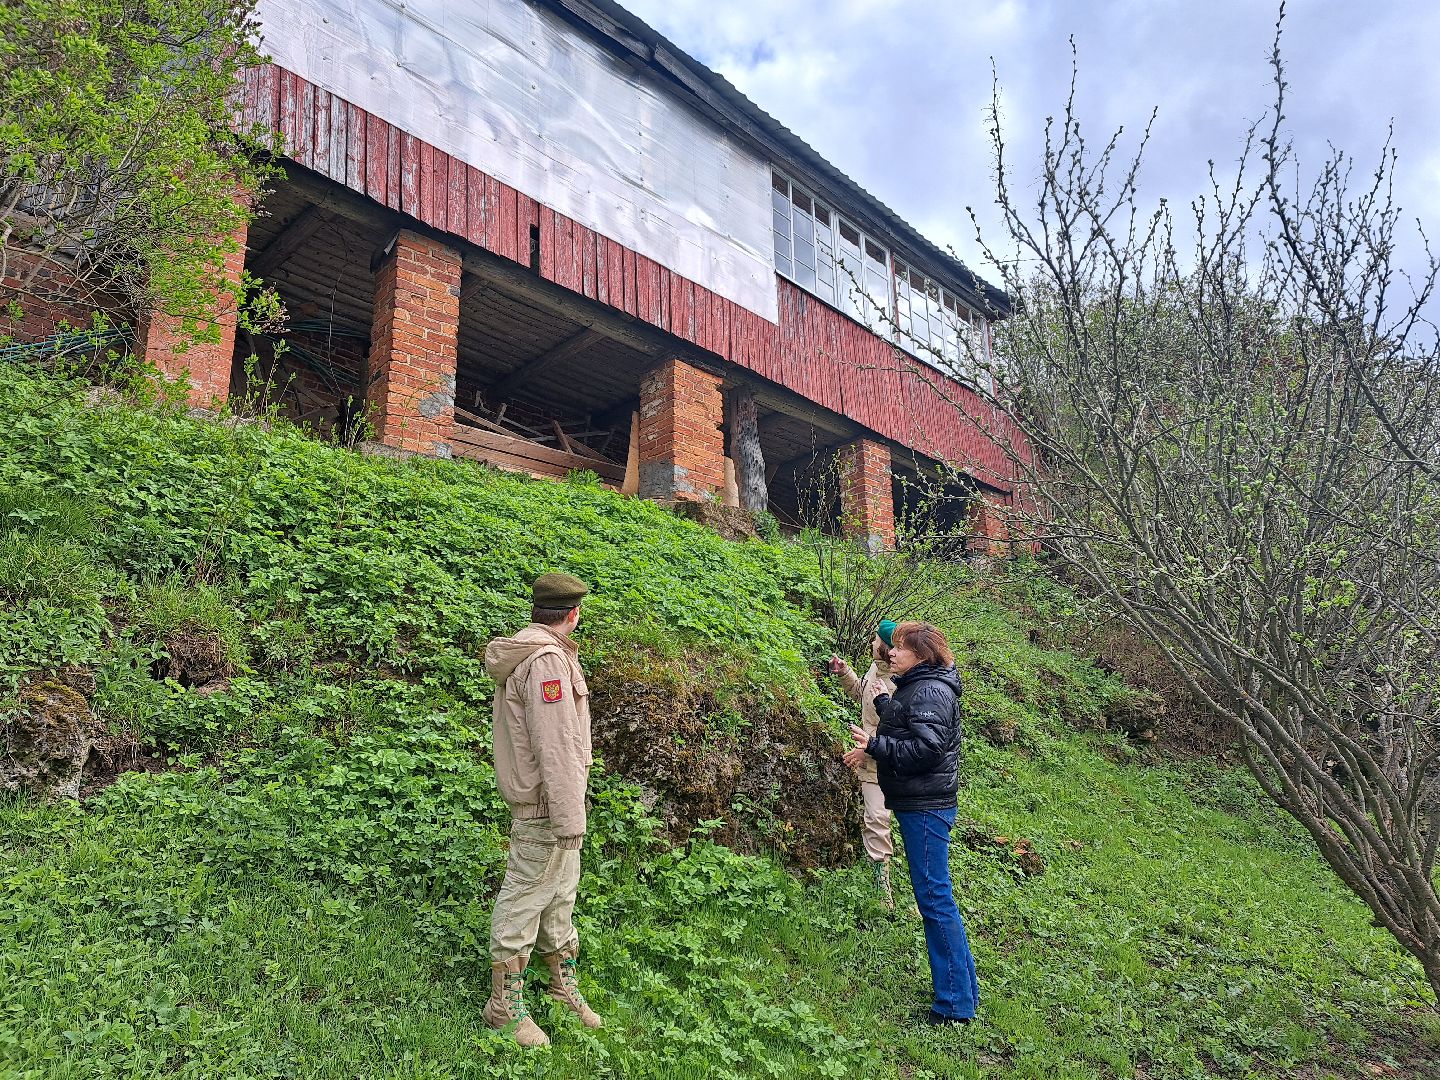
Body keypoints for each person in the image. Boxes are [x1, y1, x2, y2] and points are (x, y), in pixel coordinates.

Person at [481, 572, 603, 1047]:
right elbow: (555, 746)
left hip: (556, 803)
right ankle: (503, 1006)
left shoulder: (540, 654)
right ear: (572, 614)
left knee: (559, 896)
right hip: (546, 809)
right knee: (525, 896)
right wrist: (570, 817)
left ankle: (559, 985)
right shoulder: (548, 663)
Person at [847, 620, 978, 1026]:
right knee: (936, 898)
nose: (890, 653)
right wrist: (887, 707)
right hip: (920, 803)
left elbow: (926, 748)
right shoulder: (919, 686)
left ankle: (954, 1005)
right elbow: (914, 722)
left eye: (899, 649)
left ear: (921, 656)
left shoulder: (931, 691)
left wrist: (874, 744)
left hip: (926, 807)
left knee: (935, 900)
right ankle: (964, 990)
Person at [831, 620, 899, 908]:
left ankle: (888, 887)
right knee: (876, 818)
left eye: (875, 641)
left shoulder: (900, 683)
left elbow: (898, 730)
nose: (871, 644)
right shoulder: (876, 670)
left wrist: (866, 751)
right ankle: (879, 879)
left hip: (890, 764)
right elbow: (863, 694)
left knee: (881, 819)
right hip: (870, 759)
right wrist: (845, 673)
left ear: (885, 648)